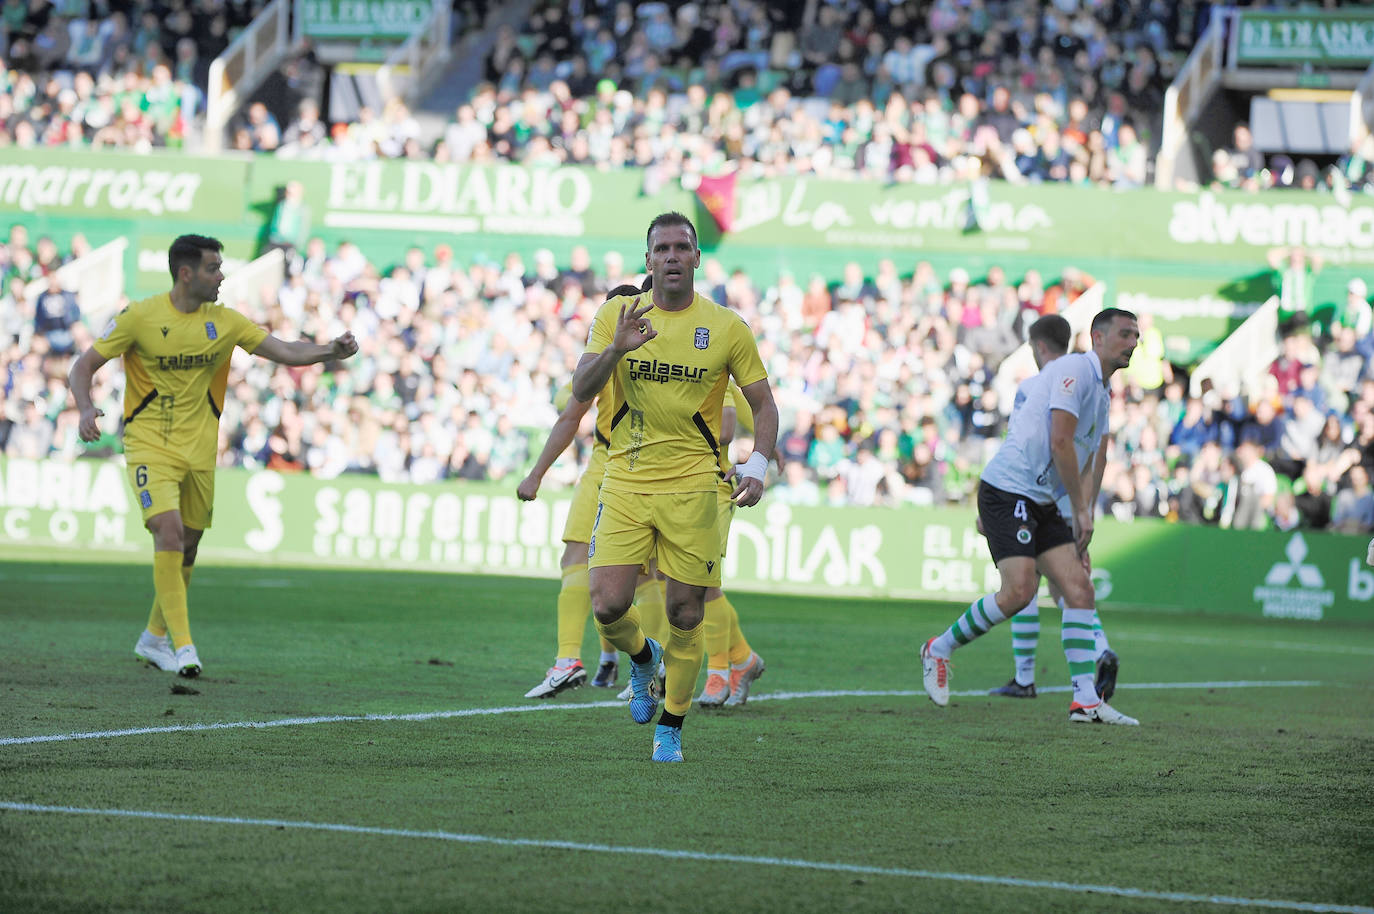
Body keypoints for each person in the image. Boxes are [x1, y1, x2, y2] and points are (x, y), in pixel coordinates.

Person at [68, 234, 358, 677]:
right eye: (212, 268)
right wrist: (86, 407)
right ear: (186, 273)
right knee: (167, 532)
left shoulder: (226, 322)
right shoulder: (139, 317)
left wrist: (328, 351)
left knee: (188, 544)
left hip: (200, 452)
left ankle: (154, 637)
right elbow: (83, 366)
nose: (221, 275)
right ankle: (184, 649)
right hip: (148, 446)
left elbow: (283, 350)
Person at [572, 211, 778, 762]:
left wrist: (757, 463)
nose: (670, 256)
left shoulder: (726, 327)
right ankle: (643, 659)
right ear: (647, 260)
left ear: (695, 258)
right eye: (660, 248)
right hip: (626, 480)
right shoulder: (617, 314)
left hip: (694, 488)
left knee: (688, 613)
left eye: (680, 247)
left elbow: (763, 403)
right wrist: (616, 348)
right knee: (608, 604)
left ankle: (671, 728)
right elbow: (580, 387)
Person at [919, 308, 1141, 726]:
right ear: (1097, 337)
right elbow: (1060, 442)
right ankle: (938, 648)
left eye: (1136, 336)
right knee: (1019, 592)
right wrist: (1079, 509)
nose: (1133, 343)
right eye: (1125, 334)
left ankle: (1086, 701)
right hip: (1008, 490)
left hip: (1041, 499)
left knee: (1078, 589)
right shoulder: (1074, 369)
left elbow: (1098, 456)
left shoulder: (1103, 390)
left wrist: (1083, 514)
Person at [517, 283, 669, 698]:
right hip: (606, 462)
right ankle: (571, 660)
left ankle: (653, 667)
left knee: (642, 576)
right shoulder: (610, 357)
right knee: (581, 557)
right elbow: (572, 410)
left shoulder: (649, 350)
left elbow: (570, 411)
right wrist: (536, 473)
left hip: (646, 467)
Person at [984, 315, 1118, 700]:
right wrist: (1085, 510)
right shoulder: (1095, 385)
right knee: (1068, 588)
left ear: (1039, 347)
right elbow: (1101, 454)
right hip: (1071, 494)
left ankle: (1025, 677)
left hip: (1033, 493)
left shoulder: (1032, 387)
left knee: (1024, 583)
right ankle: (1101, 649)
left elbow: (1019, 445)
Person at [696, 381, 766, 709]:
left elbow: (724, 431)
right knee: (671, 579)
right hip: (669, 485)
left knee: (703, 582)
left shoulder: (710, 370)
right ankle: (743, 659)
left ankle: (718, 671)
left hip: (711, 484)